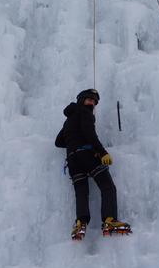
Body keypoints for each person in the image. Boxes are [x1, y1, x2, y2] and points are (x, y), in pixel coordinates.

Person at [55, 89, 131, 240]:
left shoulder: (69, 118)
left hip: (72, 160)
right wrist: (102, 153)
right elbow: (90, 134)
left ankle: (80, 223)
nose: (92, 103)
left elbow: (58, 142)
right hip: (87, 156)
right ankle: (109, 220)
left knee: (81, 192)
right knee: (107, 186)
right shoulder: (84, 113)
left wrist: (73, 143)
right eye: (89, 99)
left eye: (94, 101)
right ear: (81, 99)